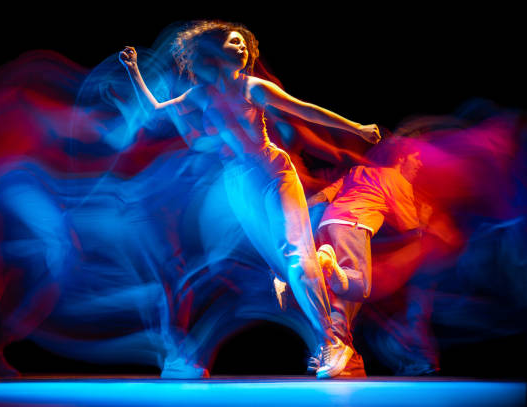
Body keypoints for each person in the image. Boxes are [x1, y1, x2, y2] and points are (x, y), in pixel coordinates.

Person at [118, 20, 380, 378]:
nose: (241, 47)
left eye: (244, 44)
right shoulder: (200, 96)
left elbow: (306, 110)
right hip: (239, 183)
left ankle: (334, 345)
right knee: (279, 268)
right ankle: (325, 281)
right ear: (211, 50)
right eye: (233, 41)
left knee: (294, 257)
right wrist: (133, 70)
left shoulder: (253, 87)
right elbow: (155, 112)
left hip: (274, 174)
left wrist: (356, 128)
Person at [307, 136, 430, 375]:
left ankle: (325, 350)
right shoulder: (397, 180)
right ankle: (329, 263)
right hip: (353, 224)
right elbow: (411, 230)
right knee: (360, 285)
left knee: (342, 298)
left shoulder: (357, 172)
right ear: (401, 158)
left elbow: (322, 197)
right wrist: (425, 216)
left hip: (327, 224)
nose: (420, 165)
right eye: (417, 158)